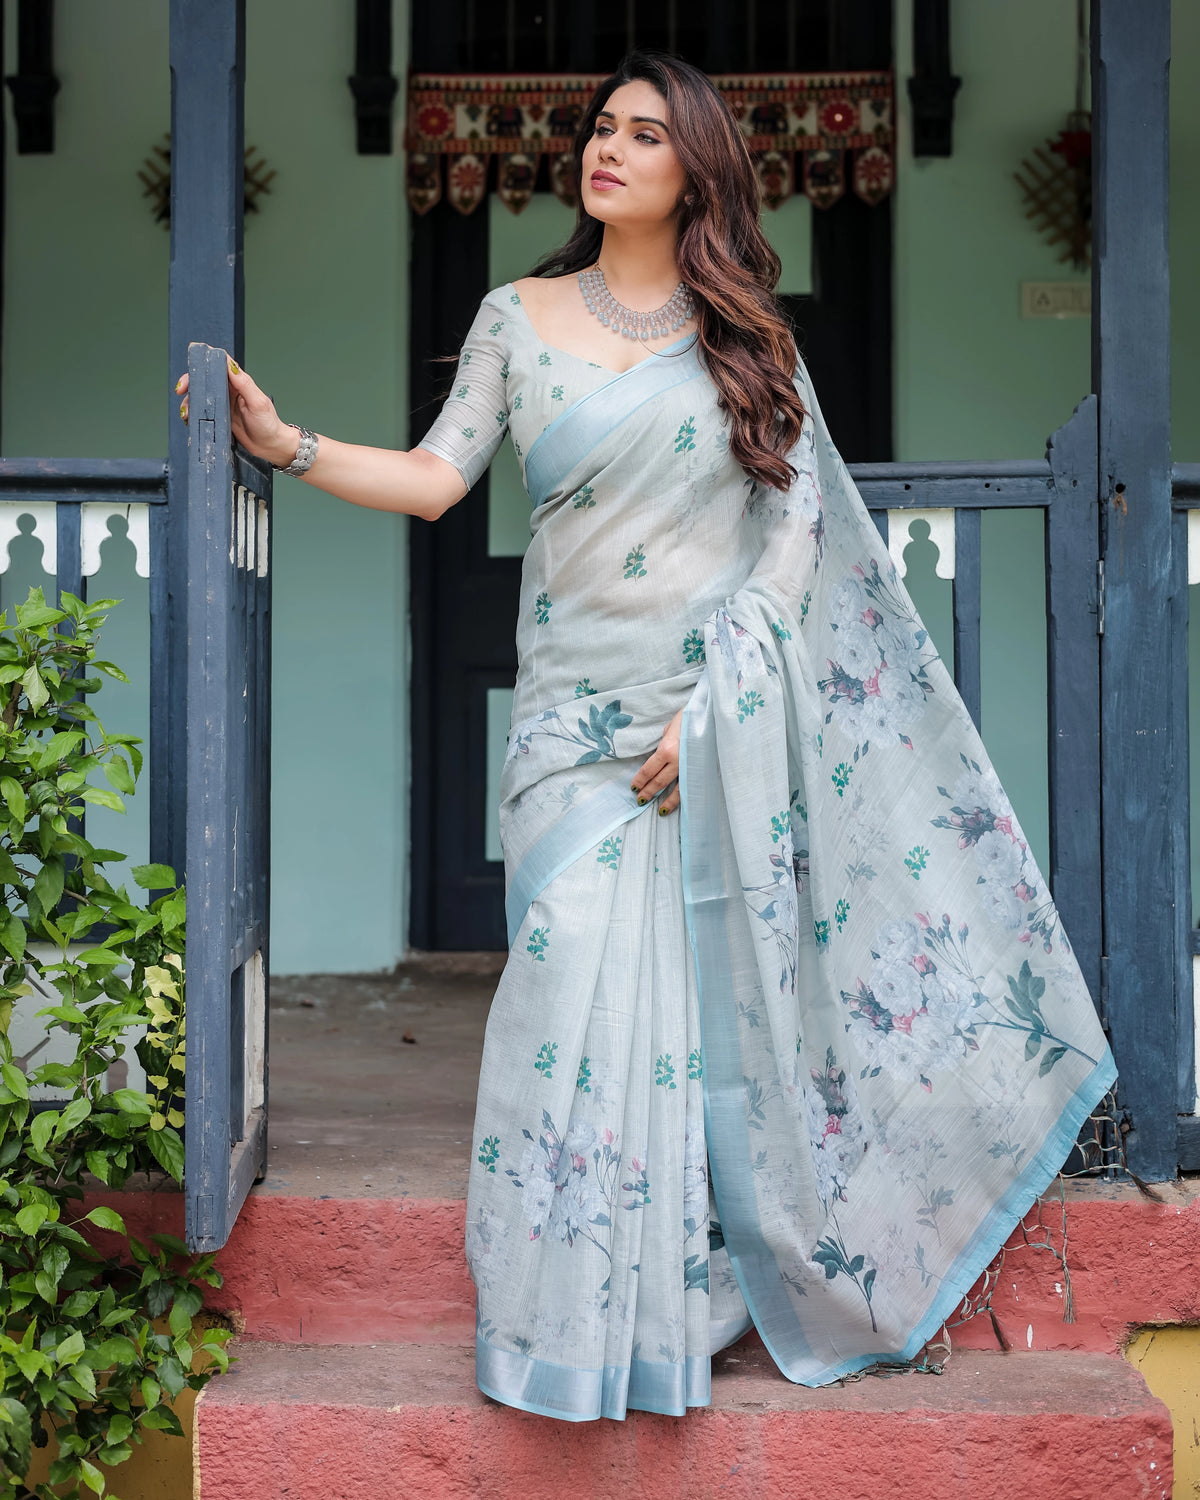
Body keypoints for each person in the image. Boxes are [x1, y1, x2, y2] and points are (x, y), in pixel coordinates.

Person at [176, 49, 1115, 1423]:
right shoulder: (516, 314)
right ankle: (559, 1323)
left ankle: (664, 1319)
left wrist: (720, 706)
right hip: (566, 733)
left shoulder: (749, 343)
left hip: (691, 732)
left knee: (677, 1038)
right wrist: (290, 443)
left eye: (643, 135)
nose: (607, 150)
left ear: (698, 173)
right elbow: (441, 479)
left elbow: (790, 551)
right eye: (600, 128)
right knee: (568, 998)